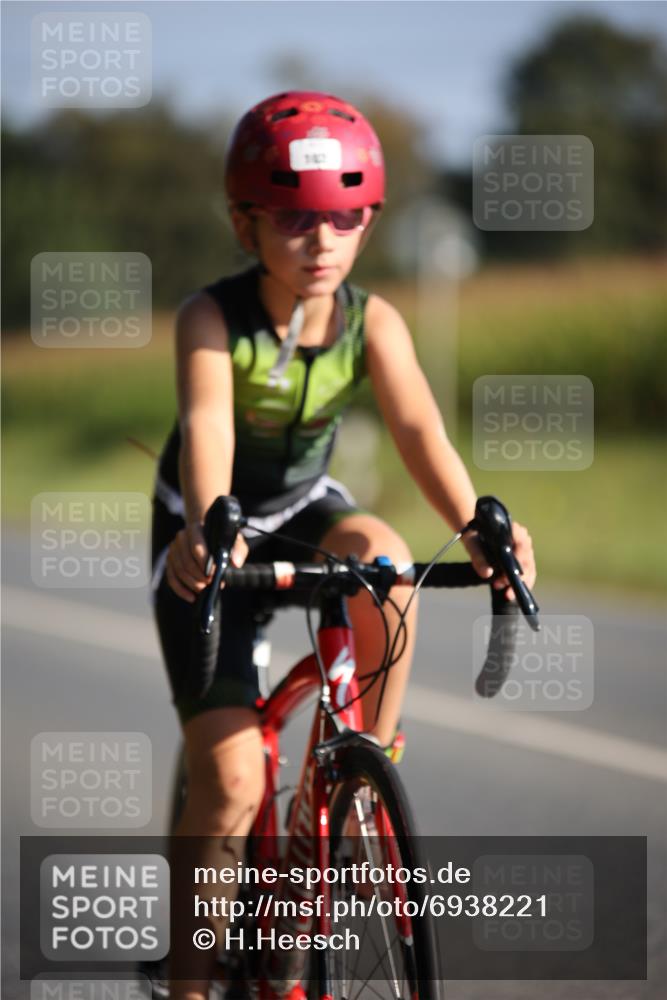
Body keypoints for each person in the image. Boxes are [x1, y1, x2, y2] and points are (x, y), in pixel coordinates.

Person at [150, 90, 536, 1000]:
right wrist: (211, 529)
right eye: (292, 217)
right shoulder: (212, 318)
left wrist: (479, 525)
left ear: (366, 221)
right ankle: (189, 982)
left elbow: (419, 436)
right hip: (209, 533)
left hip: (301, 503)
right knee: (234, 782)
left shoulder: (374, 321)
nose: (321, 240)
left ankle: (364, 773)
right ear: (244, 225)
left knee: (387, 555)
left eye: (344, 217)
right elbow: (209, 427)